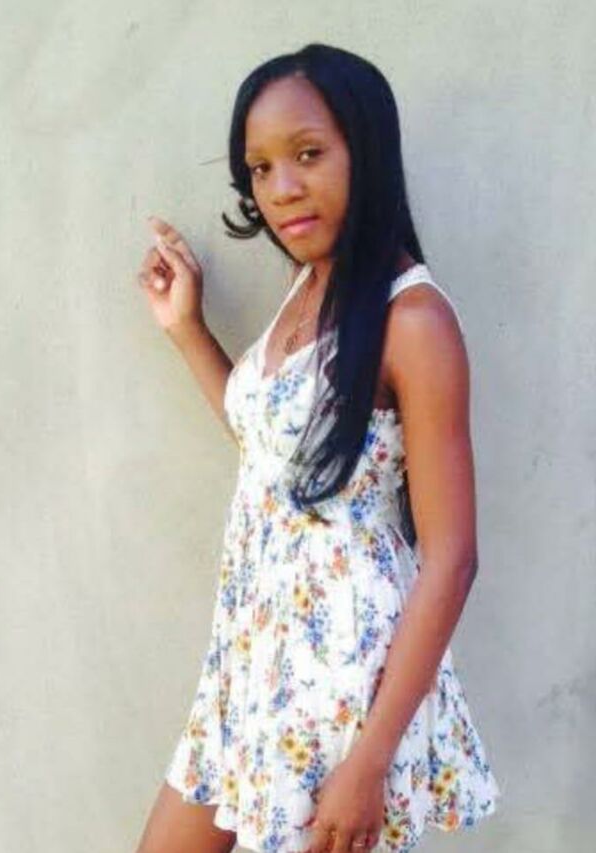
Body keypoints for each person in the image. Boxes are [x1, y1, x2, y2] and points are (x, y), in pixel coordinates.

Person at [134, 42, 501, 853]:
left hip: (339, 689)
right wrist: (187, 328)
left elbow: (453, 559)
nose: (281, 188)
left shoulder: (415, 321)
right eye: (261, 169)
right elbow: (277, 455)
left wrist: (369, 761)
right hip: (248, 665)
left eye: (307, 155)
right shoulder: (313, 283)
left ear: (366, 151)